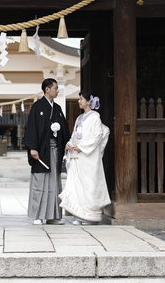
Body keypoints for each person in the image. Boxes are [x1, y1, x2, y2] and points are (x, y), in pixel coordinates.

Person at [59, 90, 111, 225]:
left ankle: (91, 216)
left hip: (89, 157)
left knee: (89, 185)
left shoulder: (95, 117)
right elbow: (74, 136)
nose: (79, 101)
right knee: (78, 186)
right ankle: (79, 215)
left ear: (89, 102)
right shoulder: (79, 118)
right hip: (78, 156)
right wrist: (70, 144)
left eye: (81, 99)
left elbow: (97, 136)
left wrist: (81, 147)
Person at [23, 78, 71, 225]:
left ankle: (53, 216)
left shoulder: (57, 108)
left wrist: (66, 141)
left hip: (54, 149)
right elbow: (31, 128)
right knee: (40, 182)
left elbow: (64, 129)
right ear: (47, 89)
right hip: (41, 150)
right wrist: (33, 148)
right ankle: (37, 215)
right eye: (55, 88)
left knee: (54, 183)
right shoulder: (38, 107)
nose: (57, 91)